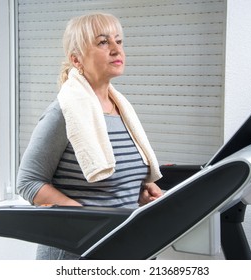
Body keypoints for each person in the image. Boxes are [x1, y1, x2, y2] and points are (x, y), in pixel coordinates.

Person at [16, 13, 163, 260]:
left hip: (120, 248)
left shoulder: (122, 111)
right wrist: (86, 221)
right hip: (76, 254)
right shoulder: (63, 112)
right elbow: (29, 183)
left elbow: (109, 184)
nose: (117, 50)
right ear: (76, 59)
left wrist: (137, 192)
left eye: (119, 41)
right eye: (103, 42)